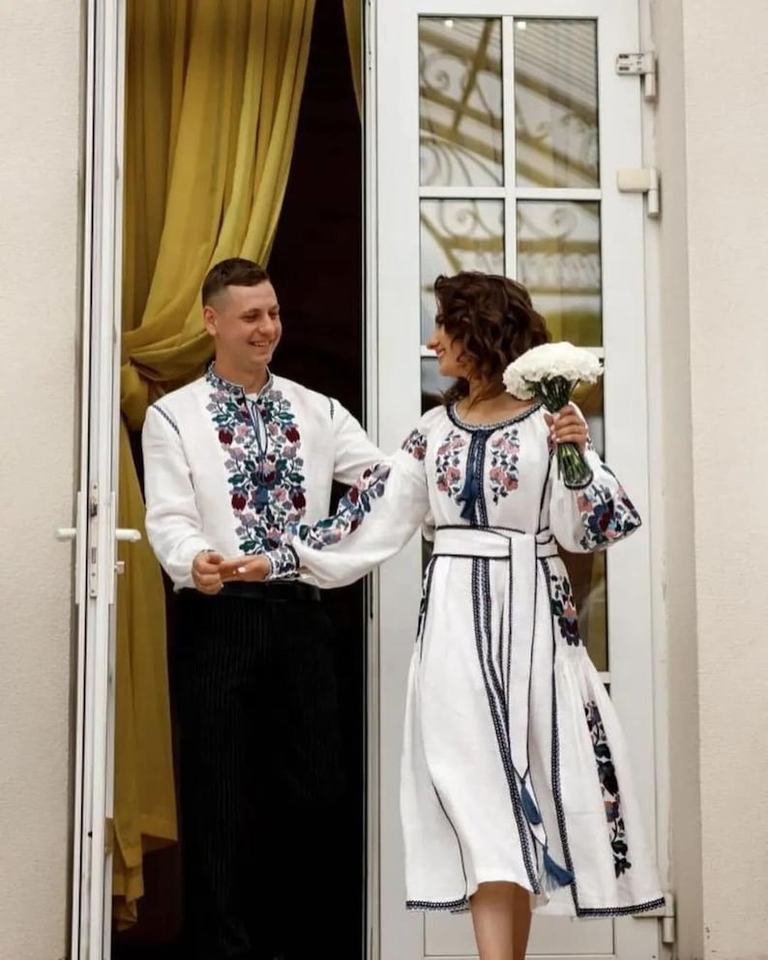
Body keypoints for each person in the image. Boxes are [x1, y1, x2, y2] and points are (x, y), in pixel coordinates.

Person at [223, 271, 665, 960]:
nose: (432, 342)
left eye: (443, 327)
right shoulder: (434, 432)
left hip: (534, 630)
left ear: (477, 332)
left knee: (517, 800)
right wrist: (279, 557)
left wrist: (576, 451)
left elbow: (593, 528)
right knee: (475, 796)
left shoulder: (546, 424)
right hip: (455, 631)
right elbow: (370, 518)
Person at [141, 257, 382, 960]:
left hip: (302, 617)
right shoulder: (172, 415)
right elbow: (169, 515)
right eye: (251, 316)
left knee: (315, 789)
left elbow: (384, 485)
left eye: (273, 313)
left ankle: (297, 943)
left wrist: (320, 545)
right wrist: (195, 559)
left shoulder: (319, 410)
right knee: (220, 795)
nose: (267, 328)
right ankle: (224, 949)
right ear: (211, 321)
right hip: (219, 618)